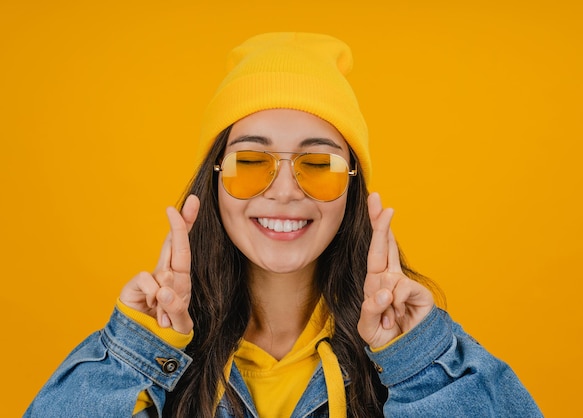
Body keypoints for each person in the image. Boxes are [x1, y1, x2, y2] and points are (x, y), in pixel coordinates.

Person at [25, 32, 542, 418]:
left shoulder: (406, 351)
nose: (286, 188)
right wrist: (135, 351)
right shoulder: (150, 354)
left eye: (318, 165)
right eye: (252, 161)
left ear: (353, 189)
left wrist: (418, 363)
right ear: (215, 181)